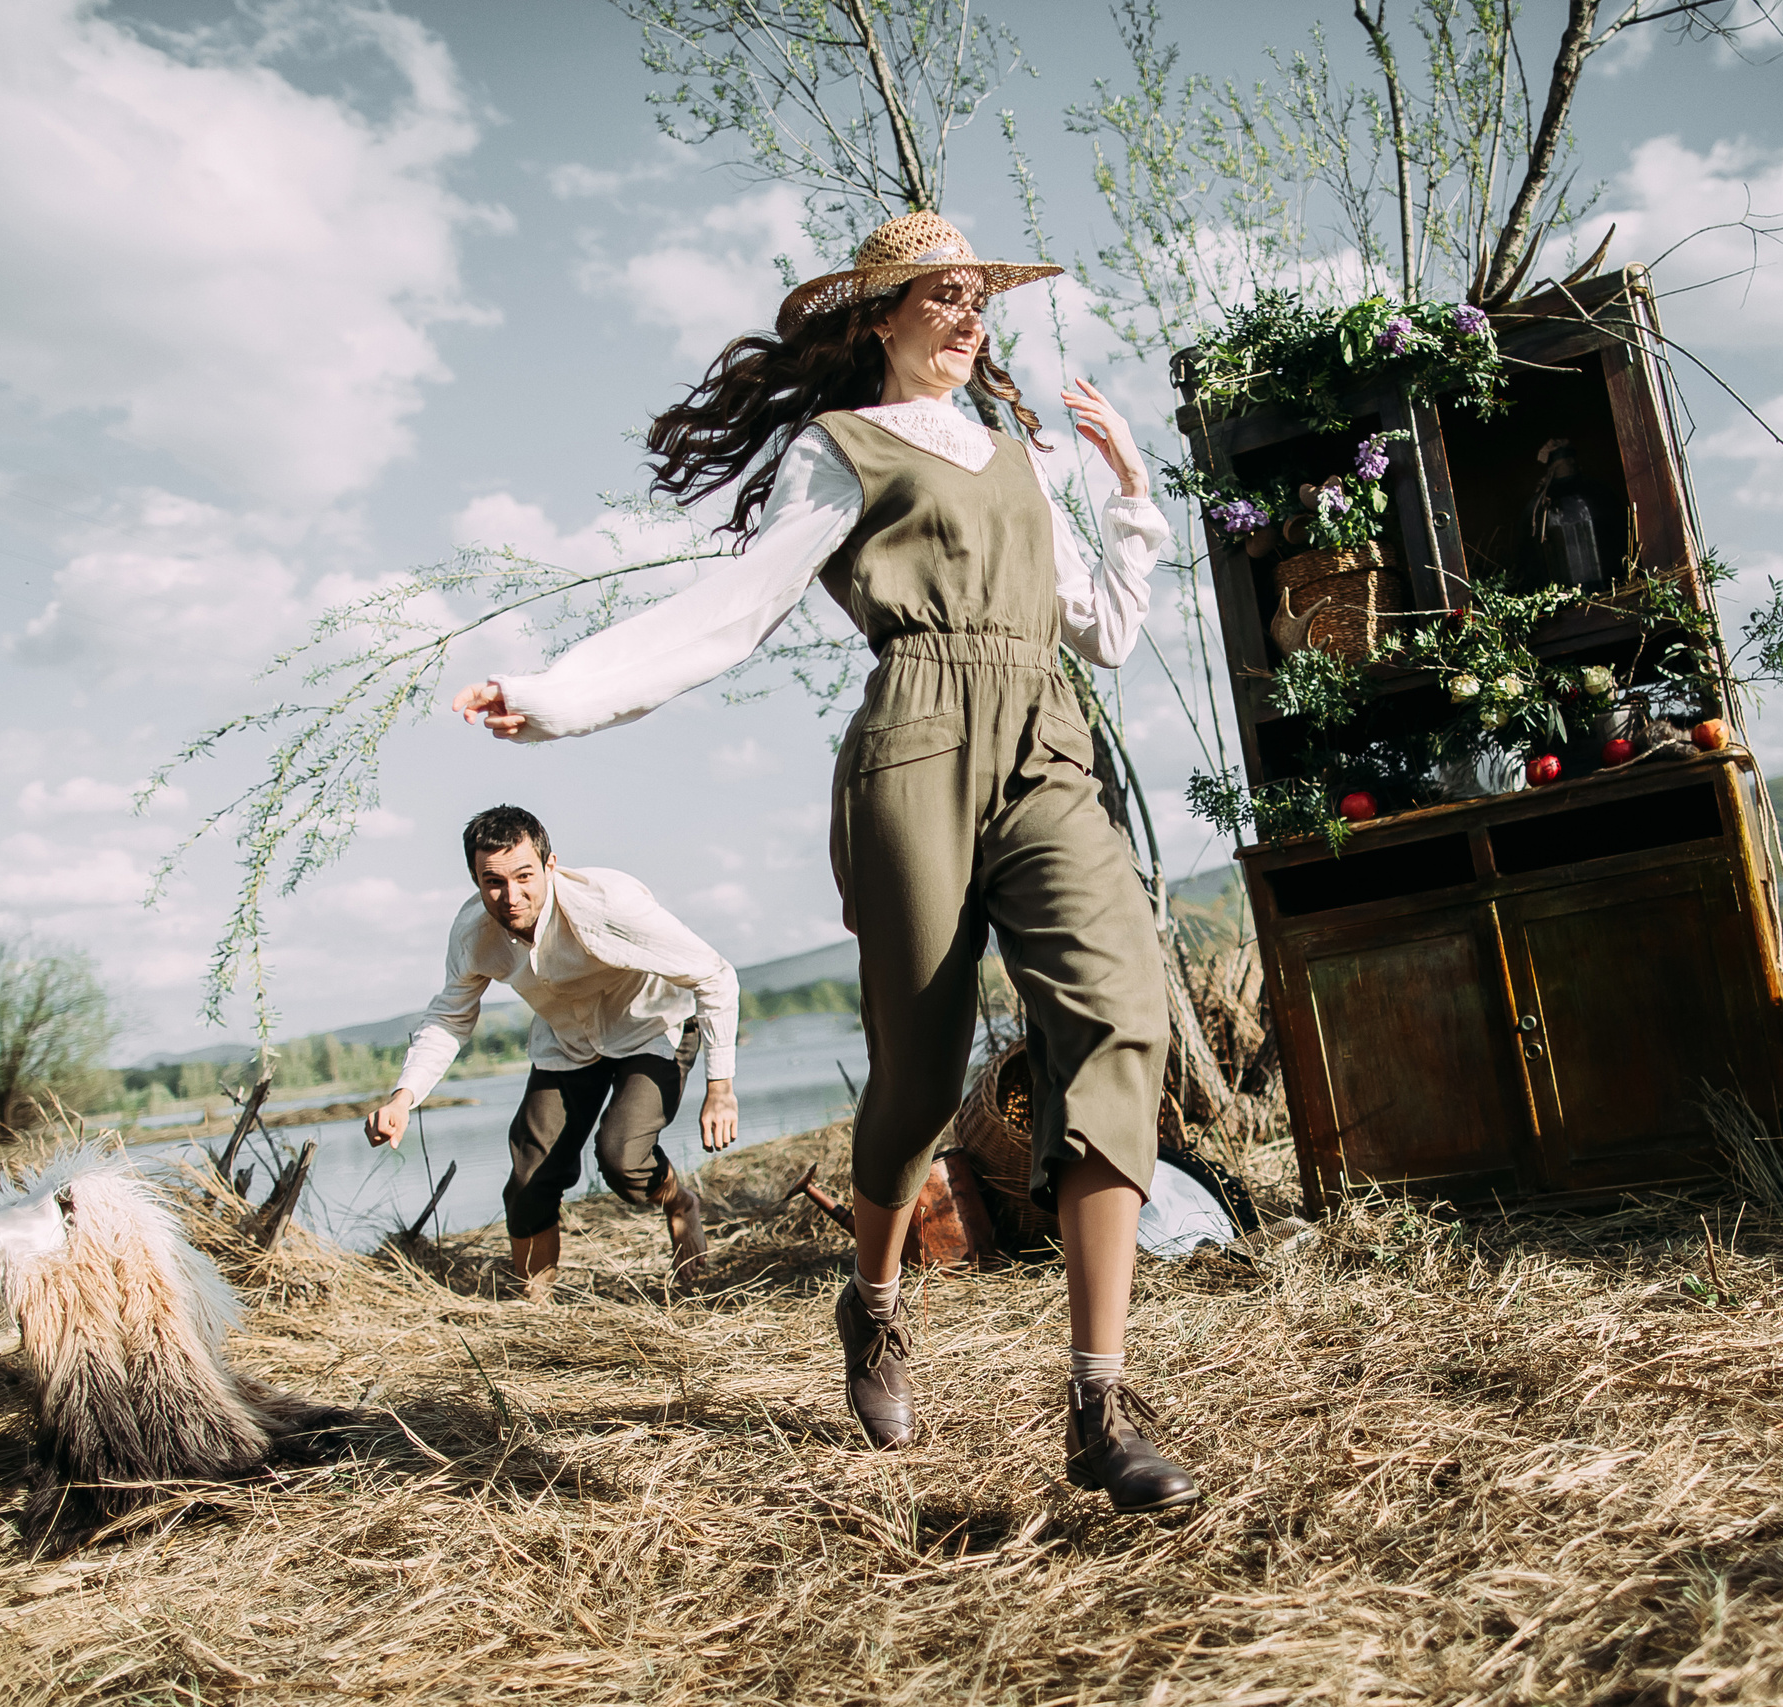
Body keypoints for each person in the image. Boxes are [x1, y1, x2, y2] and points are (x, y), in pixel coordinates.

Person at [444, 212, 1197, 1512]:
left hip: (1047, 745)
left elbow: (1109, 633)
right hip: (916, 747)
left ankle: (1097, 1400)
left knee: (1118, 1022)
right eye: (941, 297)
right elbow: (728, 612)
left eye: (978, 297)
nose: (969, 317)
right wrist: (561, 692)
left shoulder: (1013, 457)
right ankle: (879, 1301)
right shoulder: (838, 449)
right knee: (915, 1067)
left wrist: (1129, 492)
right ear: (881, 318)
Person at [366, 805, 739, 1295]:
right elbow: (449, 1017)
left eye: (524, 876)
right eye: (492, 881)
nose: (510, 895)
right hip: (566, 1044)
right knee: (529, 1179)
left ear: (550, 865)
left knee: (622, 1158)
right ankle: (535, 1303)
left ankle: (680, 1203)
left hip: (651, 1028)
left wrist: (720, 1087)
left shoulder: (609, 904)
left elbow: (714, 973)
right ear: (475, 880)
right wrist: (403, 1097)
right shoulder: (474, 934)